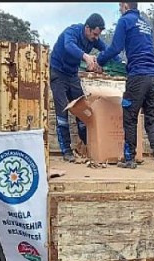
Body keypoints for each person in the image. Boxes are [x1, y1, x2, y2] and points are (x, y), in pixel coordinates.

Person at [96, 2, 154, 171]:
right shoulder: (146, 24)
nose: (119, 9)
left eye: (120, 6)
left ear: (126, 6)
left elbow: (115, 48)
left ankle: (129, 159)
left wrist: (99, 61)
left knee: (130, 116)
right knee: (151, 118)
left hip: (138, 77)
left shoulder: (125, 21)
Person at [50, 13, 119, 162]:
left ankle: (88, 146)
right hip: (58, 74)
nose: (96, 38)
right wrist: (86, 57)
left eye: (98, 35)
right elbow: (69, 46)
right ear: (87, 28)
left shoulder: (93, 39)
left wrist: (119, 62)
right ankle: (67, 152)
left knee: (82, 110)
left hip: (72, 75)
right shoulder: (72, 32)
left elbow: (107, 50)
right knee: (62, 113)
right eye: (94, 34)